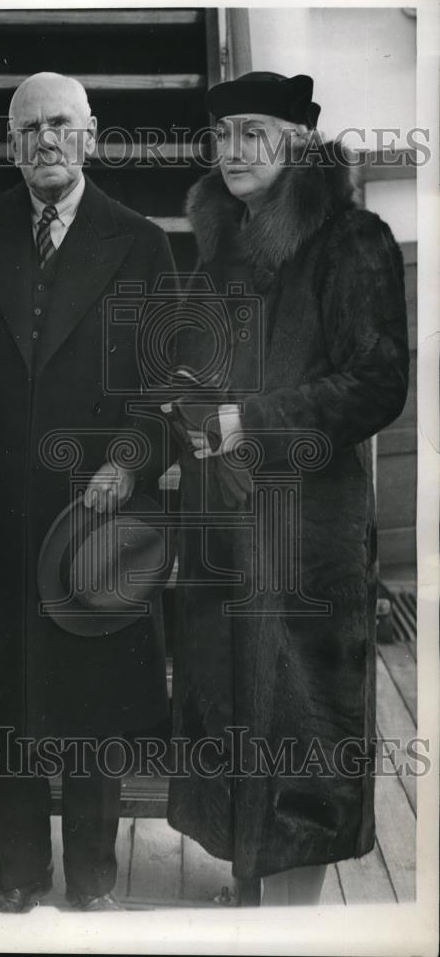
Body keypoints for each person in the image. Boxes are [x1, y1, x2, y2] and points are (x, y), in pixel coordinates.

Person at [163, 72, 409, 905]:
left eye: (252, 133)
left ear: (297, 142)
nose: (231, 150)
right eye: (222, 133)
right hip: (225, 516)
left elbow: (377, 383)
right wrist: (187, 408)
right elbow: (193, 363)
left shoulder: (353, 240)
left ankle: (293, 911)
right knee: (229, 703)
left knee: (302, 718)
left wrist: (250, 421)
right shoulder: (220, 245)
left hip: (307, 530)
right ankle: (248, 879)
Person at [0, 72, 175, 912]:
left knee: (91, 706)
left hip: (93, 514)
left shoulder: (139, 241)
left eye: (60, 125)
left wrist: (125, 461)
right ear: (10, 143)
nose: (44, 140)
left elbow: (159, 391)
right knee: (6, 699)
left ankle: (91, 883)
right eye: (28, 128)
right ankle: (16, 879)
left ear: (91, 135)